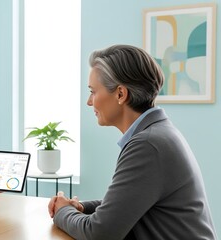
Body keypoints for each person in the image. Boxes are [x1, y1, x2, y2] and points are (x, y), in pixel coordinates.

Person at [48, 45, 217, 239]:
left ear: (120, 94)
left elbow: (100, 234)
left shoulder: (148, 144)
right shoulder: (157, 133)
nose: (89, 101)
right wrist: (81, 207)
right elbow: (130, 203)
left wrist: (62, 211)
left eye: (93, 91)